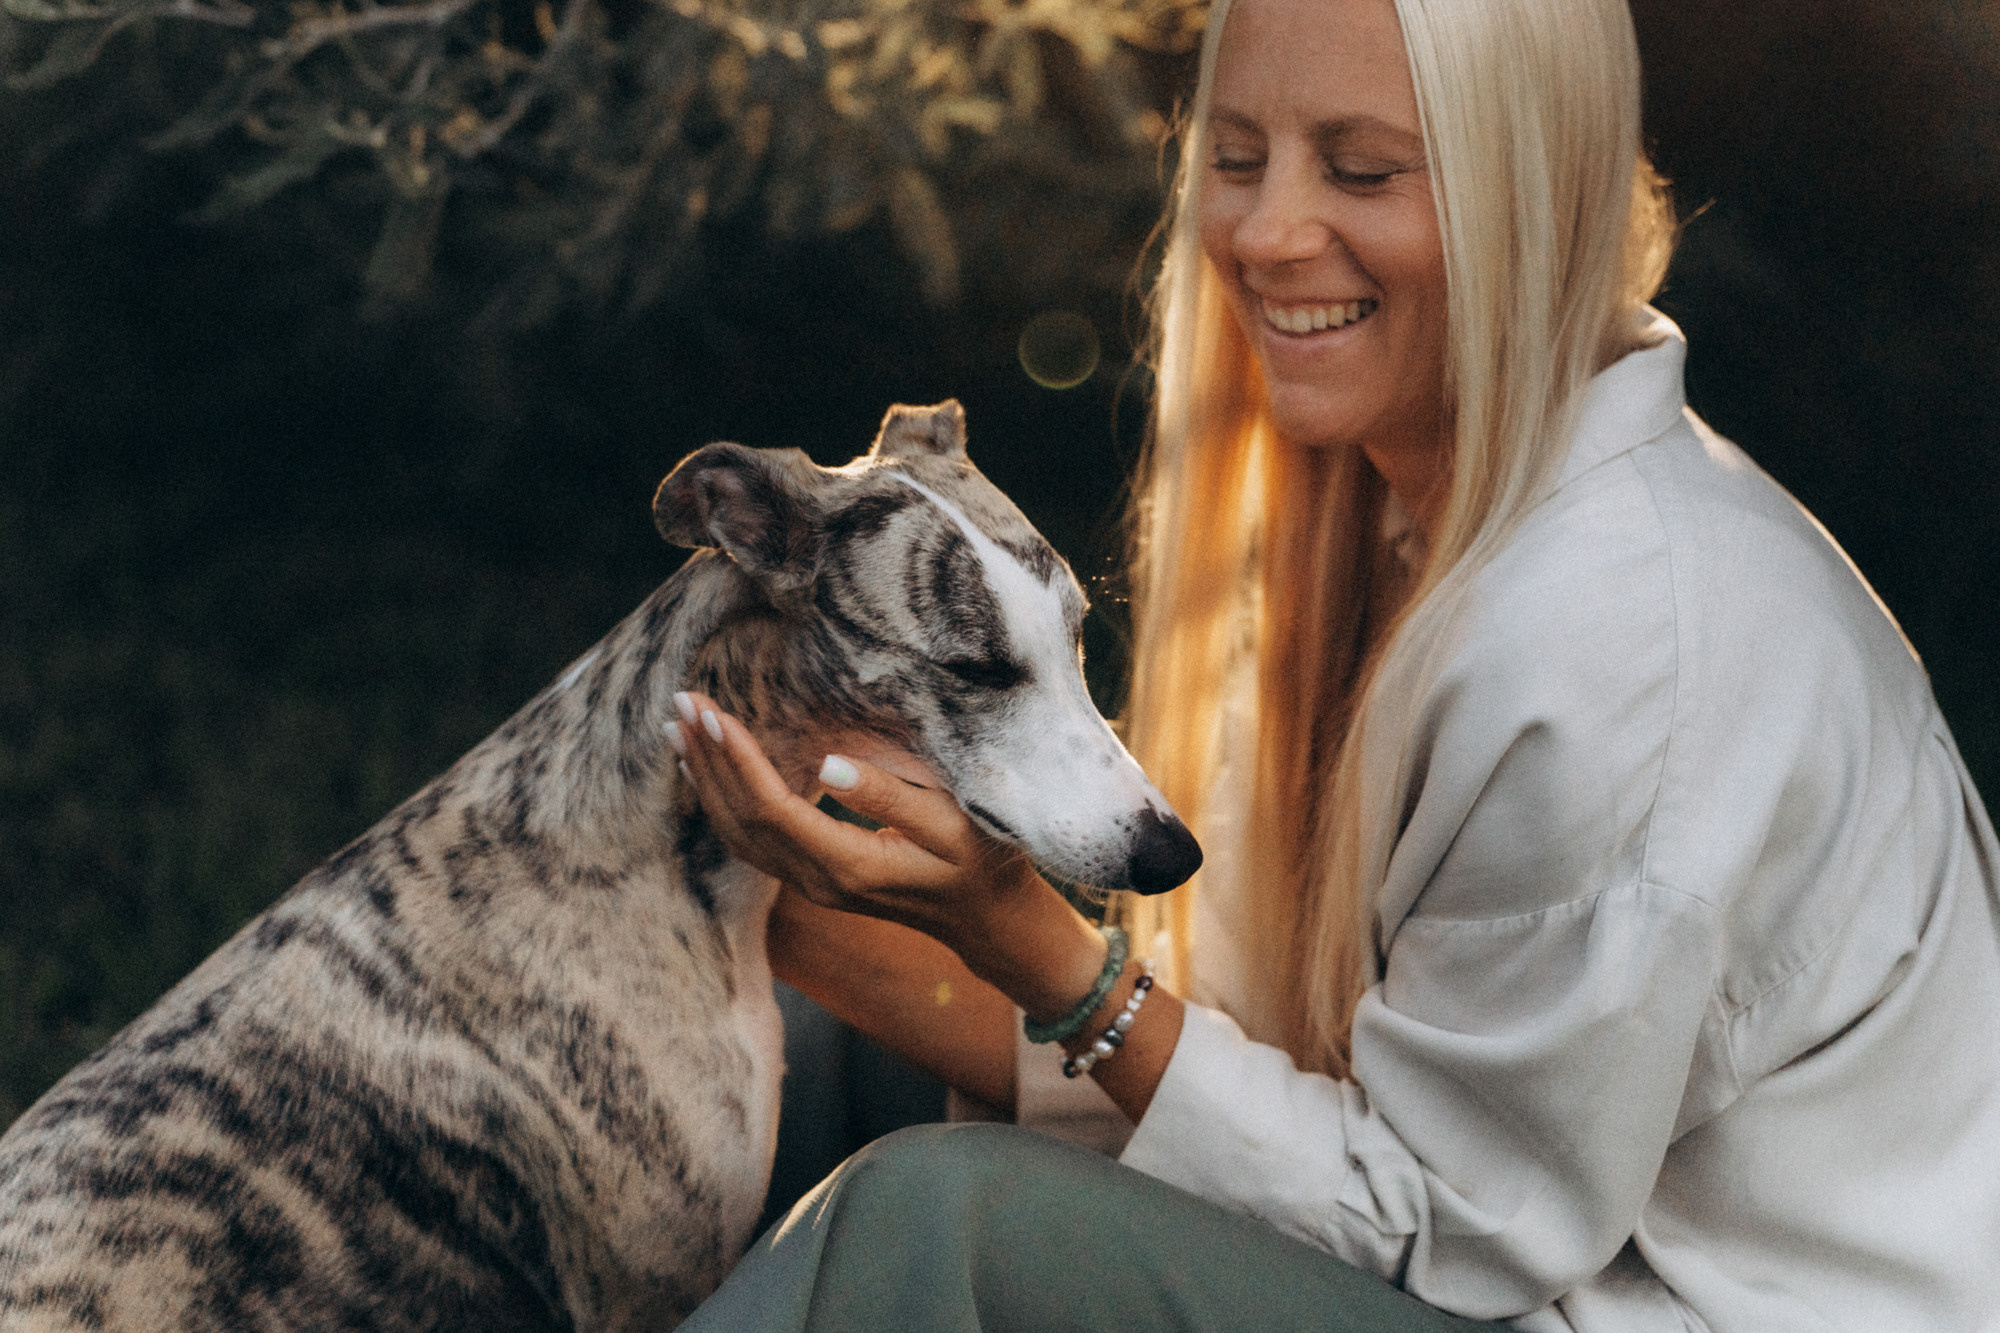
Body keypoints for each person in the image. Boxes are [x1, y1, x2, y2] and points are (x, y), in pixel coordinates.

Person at [667, 0, 2000, 1326]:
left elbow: (1439, 1230)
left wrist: (1041, 949)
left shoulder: (1621, 641)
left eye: (1362, 168)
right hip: (1477, 1242)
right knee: (818, 1028)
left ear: (1531, 189)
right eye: (1238, 158)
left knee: (934, 1221)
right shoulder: (1402, 528)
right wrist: (797, 900)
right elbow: (1303, 1088)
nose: (1265, 231)